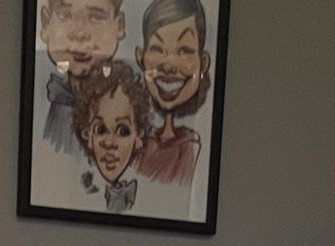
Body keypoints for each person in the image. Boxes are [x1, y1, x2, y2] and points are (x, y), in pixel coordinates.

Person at [134, 0, 213, 186]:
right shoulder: (139, 142)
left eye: (184, 51)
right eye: (157, 49)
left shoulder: (190, 148)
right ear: (141, 57)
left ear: (203, 62)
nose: (168, 66)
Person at [36, 0, 126, 156]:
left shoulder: (127, 102)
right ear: (45, 24)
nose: (79, 33)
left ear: (119, 26)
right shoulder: (51, 98)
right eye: (65, 15)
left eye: (96, 17)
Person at [70, 63, 152, 213]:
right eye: (101, 130)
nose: (109, 142)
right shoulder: (78, 188)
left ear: (138, 136)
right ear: (87, 135)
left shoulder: (143, 192)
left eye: (123, 131)